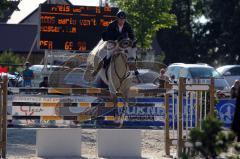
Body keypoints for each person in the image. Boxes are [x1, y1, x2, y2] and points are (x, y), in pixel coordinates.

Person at [92, 10, 136, 77]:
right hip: (112, 42)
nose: (122, 21)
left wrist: (131, 42)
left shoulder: (127, 25)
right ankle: (98, 69)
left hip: (122, 43)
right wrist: (118, 39)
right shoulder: (111, 25)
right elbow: (109, 36)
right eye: (120, 19)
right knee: (109, 55)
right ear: (117, 19)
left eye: (123, 20)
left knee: (131, 53)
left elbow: (132, 35)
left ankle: (135, 69)